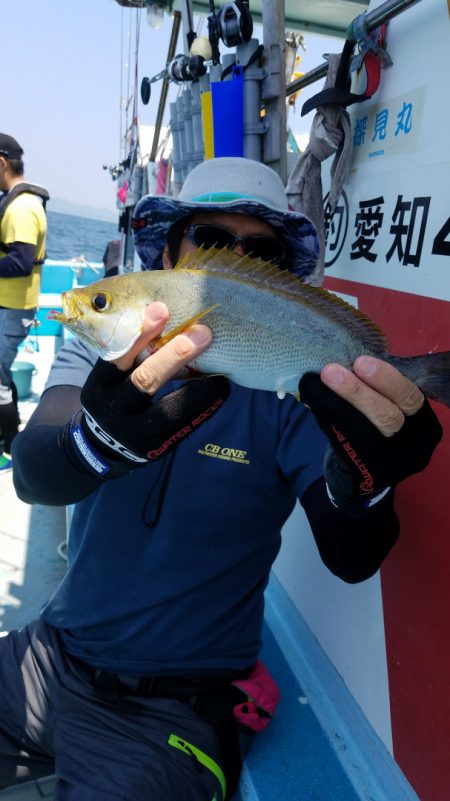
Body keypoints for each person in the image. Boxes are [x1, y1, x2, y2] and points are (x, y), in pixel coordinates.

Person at [5, 157, 443, 800]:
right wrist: (94, 442)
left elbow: (353, 553)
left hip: (172, 713)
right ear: (173, 252)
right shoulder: (102, 357)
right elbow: (37, 478)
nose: (228, 260)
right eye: (210, 241)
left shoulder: (292, 401)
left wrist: (367, 486)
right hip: (47, 657)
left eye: (258, 251)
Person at [0, 132, 48, 471]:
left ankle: (10, 448)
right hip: (11, 307)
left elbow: (19, 261)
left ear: (1, 163)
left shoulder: (22, 207)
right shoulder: (21, 203)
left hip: (13, 310)